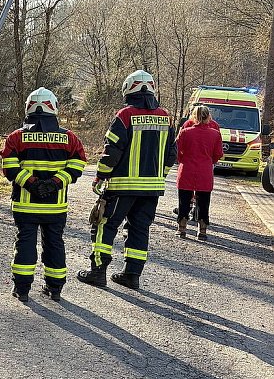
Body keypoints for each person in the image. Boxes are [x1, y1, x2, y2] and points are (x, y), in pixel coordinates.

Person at [77, 70, 176, 291]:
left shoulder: (125, 115)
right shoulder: (166, 117)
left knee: (105, 225)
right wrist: (160, 176)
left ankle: (98, 272)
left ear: (129, 89)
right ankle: (132, 276)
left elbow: (111, 151)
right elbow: (172, 154)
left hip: (122, 186)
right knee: (140, 229)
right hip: (152, 189)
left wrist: (100, 176)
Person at [0, 87, 87, 302]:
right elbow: (78, 164)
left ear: (28, 107)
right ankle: (55, 288)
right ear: (54, 108)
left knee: (25, 243)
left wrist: (31, 184)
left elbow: (9, 167)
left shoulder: (16, 137)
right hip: (55, 206)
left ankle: (22, 290)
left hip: (24, 205)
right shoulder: (70, 138)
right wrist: (55, 183)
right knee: (55, 243)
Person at [175, 105, 224, 240]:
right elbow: (218, 154)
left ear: (194, 117)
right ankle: (202, 231)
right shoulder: (215, 134)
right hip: (205, 171)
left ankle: (182, 228)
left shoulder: (185, 132)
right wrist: (209, 161)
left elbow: (177, 151)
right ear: (209, 116)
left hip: (187, 170)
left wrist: (182, 161)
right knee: (204, 202)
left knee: (183, 201)